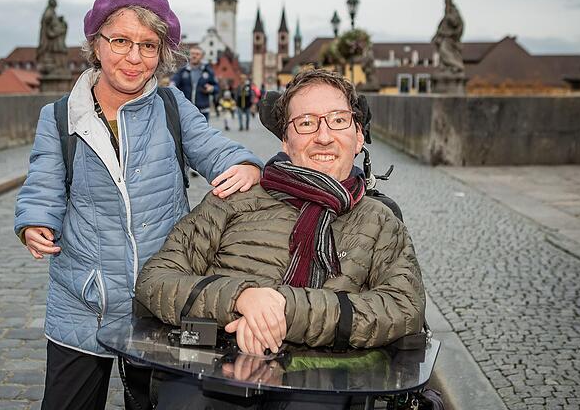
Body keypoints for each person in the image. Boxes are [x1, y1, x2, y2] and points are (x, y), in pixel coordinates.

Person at [13, 0, 263, 410]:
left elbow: (213, 146)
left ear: (161, 53)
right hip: (84, 300)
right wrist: (35, 221)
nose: (134, 57)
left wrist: (245, 163)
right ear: (96, 44)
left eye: (148, 45)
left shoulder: (171, 105)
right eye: (121, 41)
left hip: (163, 300)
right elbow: (43, 182)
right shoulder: (58, 116)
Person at [135, 69, 425, 408]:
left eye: (338, 120)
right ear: (285, 140)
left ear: (359, 137)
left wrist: (285, 309)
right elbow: (155, 280)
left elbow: (403, 308)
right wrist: (241, 299)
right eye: (306, 123)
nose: (324, 136)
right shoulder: (233, 199)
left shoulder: (379, 221)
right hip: (211, 376)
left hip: (320, 383)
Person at [171, 45, 218, 122]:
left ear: (202, 56)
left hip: (203, 110)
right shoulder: (183, 71)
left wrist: (212, 88)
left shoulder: (207, 71)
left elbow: (216, 87)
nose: (194, 56)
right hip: (186, 109)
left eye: (197, 54)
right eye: (192, 54)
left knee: (202, 133)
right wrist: (172, 84)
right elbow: (174, 82)